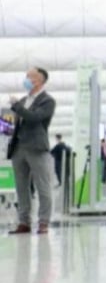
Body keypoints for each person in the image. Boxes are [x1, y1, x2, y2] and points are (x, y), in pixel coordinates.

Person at [6, 68, 56, 234]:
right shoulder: (24, 99)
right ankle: (24, 222)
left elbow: (34, 118)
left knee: (43, 186)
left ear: (39, 80)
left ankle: (43, 222)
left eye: (30, 76)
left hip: (36, 147)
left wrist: (17, 107)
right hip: (18, 148)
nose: (26, 79)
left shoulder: (47, 101)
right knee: (21, 187)